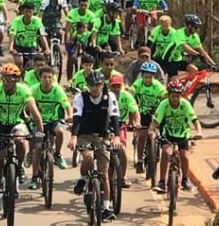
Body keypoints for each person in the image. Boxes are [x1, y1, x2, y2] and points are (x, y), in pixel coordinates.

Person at [0, 63, 44, 210]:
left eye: (10, 79)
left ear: (17, 80)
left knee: (20, 139)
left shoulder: (23, 91)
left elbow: (35, 112)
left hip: (17, 123)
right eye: (4, 79)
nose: (6, 82)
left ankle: (18, 166)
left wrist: (40, 132)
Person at [67, 70, 120, 221]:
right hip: (84, 134)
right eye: (92, 85)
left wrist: (116, 136)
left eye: (98, 85)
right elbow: (77, 119)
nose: (95, 88)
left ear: (102, 85)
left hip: (102, 135)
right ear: (88, 85)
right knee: (88, 158)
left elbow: (115, 117)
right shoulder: (80, 97)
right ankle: (83, 178)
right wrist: (74, 137)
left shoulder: (109, 96)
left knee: (104, 173)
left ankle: (106, 208)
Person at [150, 81, 203, 193]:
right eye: (172, 96)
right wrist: (152, 130)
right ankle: (162, 182)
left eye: (177, 96)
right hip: (167, 134)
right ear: (168, 95)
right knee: (166, 153)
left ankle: (185, 180)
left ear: (181, 96)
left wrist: (199, 132)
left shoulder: (185, 105)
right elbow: (155, 121)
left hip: (182, 134)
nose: (175, 99)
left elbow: (195, 120)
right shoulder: (164, 104)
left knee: (184, 156)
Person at [28, 66, 72, 189]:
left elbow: (66, 104)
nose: (47, 80)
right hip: (38, 122)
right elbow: (25, 104)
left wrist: (70, 115)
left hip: (53, 121)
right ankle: (34, 177)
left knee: (60, 132)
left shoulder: (57, 90)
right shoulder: (33, 90)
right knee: (37, 147)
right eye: (44, 77)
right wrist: (27, 116)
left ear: (53, 79)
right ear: (40, 78)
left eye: (50, 77)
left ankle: (57, 154)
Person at [129, 61, 167, 174]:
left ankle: (155, 151)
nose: (147, 79)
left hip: (155, 112)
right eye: (145, 77)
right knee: (142, 135)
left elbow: (164, 95)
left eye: (150, 77)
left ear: (154, 77)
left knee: (159, 132)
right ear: (142, 75)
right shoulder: (138, 83)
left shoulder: (157, 86)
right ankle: (140, 160)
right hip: (142, 112)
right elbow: (131, 92)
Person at [108, 74, 139, 188]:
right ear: (109, 86)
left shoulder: (127, 96)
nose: (116, 89)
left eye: (118, 86)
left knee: (122, 149)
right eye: (113, 86)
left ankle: (123, 177)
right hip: (106, 124)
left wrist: (136, 122)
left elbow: (135, 111)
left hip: (120, 125)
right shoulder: (105, 96)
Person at [9, 2, 50, 68]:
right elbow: (12, 35)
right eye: (26, 12)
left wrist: (47, 49)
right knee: (19, 62)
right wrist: (11, 48)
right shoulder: (16, 21)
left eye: (30, 12)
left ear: (33, 12)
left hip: (31, 47)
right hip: (18, 47)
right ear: (23, 12)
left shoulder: (37, 20)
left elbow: (43, 35)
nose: (28, 14)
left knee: (32, 65)